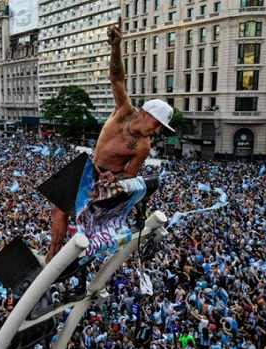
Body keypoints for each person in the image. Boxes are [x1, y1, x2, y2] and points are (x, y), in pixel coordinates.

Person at [47, 23, 175, 261]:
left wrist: (115, 178)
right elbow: (117, 78)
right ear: (147, 114)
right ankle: (52, 256)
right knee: (59, 210)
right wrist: (116, 47)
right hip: (88, 167)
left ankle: (72, 260)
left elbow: (131, 173)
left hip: (106, 182)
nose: (157, 131)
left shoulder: (143, 146)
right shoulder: (124, 112)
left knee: (86, 224)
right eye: (157, 124)